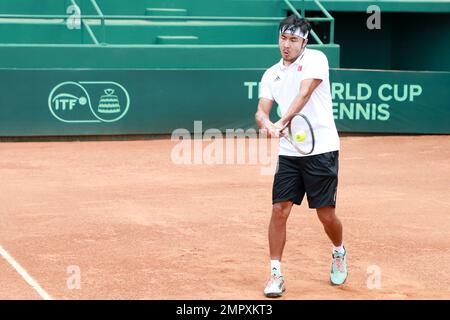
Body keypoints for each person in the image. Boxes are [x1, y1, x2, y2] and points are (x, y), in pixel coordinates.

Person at [255, 15, 348, 298]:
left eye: (293, 40)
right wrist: (266, 124)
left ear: (304, 41)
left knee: (326, 215)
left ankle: (338, 251)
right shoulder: (271, 74)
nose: (287, 45)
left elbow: (305, 93)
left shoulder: (316, 59)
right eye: (283, 38)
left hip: (321, 149)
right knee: (279, 210)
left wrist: (281, 122)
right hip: (290, 152)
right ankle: (275, 274)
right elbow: (261, 110)